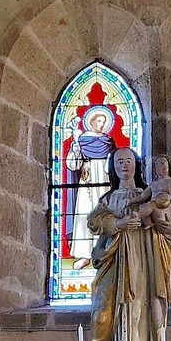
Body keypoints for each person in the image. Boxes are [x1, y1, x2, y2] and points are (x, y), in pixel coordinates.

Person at [87, 149, 171, 341]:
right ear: (113, 168)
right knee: (103, 316)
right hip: (116, 265)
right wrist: (118, 224)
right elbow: (95, 221)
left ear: (136, 165)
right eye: (119, 161)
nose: (124, 166)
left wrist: (169, 224)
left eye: (128, 161)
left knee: (143, 313)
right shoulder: (108, 199)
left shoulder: (147, 194)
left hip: (147, 263)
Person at [65, 108, 117, 270]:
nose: (101, 124)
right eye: (98, 121)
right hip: (87, 180)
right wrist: (76, 147)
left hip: (104, 179)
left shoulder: (108, 141)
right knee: (85, 213)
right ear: (92, 121)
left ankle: (104, 251)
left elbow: (115, 161)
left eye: (103, 121)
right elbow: (73, 164)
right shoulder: (82, 139)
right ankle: (85, 255)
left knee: (104, 213)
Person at [130, 155, 171, 229]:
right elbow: (142, 196)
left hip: (164, 206)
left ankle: (138, 215)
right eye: (156, 164)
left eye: (162, 163)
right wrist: (130, 201)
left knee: (151, 205)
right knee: (142, 206)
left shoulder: (170, 182)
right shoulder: (153, 183)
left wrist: (169, 197)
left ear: (169, 166)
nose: (158, 167)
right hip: (153, 205)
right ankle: (148, 223)